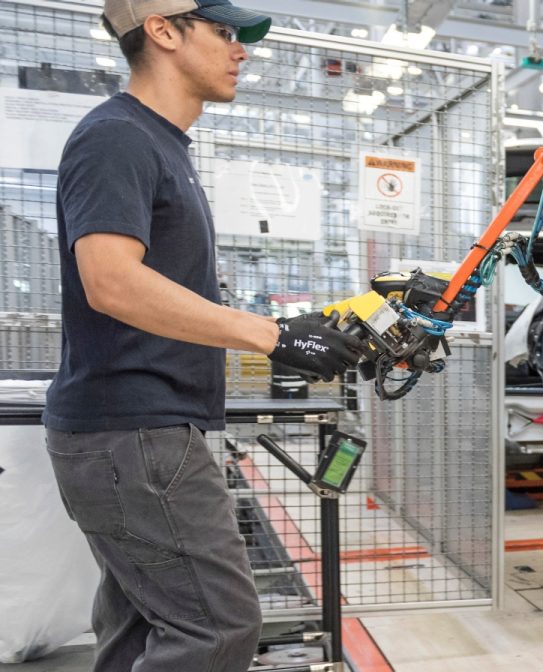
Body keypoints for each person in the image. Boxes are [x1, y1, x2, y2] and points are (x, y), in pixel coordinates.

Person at [42, 1, 365, 669]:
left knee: (142, 631)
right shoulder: (118, 138)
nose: (240, 49)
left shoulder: (159, 145)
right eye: (222, 32)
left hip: (136, 435)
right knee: (216, 630)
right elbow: (111, 282)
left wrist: (292, 330)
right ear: (162, 30)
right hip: (132, 437)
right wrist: (271, 335)